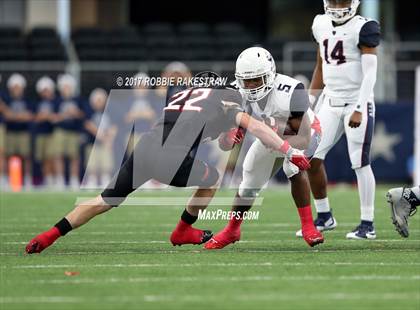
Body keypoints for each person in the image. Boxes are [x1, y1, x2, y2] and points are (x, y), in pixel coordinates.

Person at [25, 85, 311, 254]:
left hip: (146, 147)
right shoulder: (225, 102)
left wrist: (227, 137)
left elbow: (217, 138)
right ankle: (182, 231)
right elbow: (258, 127)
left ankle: (47, 236)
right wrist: (289, 150)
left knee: (104, 200)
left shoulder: (185, 96)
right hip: (169, 156)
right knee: (212, 178)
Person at [204, 47, 324, 250]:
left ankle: (308, 226)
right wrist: (229, 136)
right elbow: (224, 145)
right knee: (249, 177)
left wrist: (279, 139)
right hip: (270, 136)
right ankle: (233, 229)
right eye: (246, 81)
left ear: (270, 75)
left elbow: (302, 138)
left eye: (256, 80)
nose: (250, 86)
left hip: (305, 133)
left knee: (292, 168)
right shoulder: (235, 92)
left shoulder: (292, 90)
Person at [296, 0, 381, 240]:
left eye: (341, 1)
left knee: (360, 162)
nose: (337, 5)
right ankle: (324, 216)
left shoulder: (364, 27)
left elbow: (371, 73)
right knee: (310, 158)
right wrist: (310, 103)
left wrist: (359, 108)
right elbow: (320, 66)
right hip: (330, 101)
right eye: (333, 0)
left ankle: (368, 223)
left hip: (356, 100)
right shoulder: (320, 23)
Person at [52, 74, 84, 189]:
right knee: (58, 155)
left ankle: (74, 179)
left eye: (68, 86)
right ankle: (60, 179)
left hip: (73, 131)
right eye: (65, 86)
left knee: (74, 156)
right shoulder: (57, 100)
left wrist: (76, 113)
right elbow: (52, 117)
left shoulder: (77, 99)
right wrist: (65, 114)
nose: (67, 89)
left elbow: (83, 115)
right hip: (60, 130)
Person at [3, 73, 33, 189]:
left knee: (26, 156)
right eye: (14, 87)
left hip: (23, 131)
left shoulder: (27, 100)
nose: (16, 89)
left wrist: (13, 115)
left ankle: (28, 179)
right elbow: (6, 116)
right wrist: (20, 116)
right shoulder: (7, 99)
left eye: (18, 87)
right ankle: (6, 178)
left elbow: (30, 116)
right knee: (7, 156)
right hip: (10, 131)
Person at [84, 88, 116, 187]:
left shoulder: (110, 112)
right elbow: (88, 125)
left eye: (101, 100)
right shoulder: (89, 111)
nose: (99, 102)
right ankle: (92, 180)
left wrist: (109, 139)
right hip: (92, 142)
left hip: (105, 143)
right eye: (97, 100)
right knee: (92, 163)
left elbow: (114, 127)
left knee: (106, 163)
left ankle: (105, 179)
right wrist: (102, 136)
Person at [34, 76, 57, 187]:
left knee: (51, 157)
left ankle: (52, 179)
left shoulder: (55, 102)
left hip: (51, 133)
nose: (46, 92)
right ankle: (47, 178)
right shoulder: (37, 102)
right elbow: (34, 117)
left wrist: (49, 116)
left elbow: (57, 117)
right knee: (42, 158)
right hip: (40, 133)